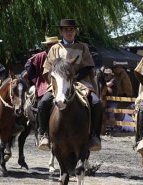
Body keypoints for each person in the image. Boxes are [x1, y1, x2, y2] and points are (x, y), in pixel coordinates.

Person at [38, 19, 102, 151]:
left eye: (71, 29)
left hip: (80, 83)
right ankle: (44, 134)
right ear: (61, 31)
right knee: (43, 103)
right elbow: (47, 70)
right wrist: (57, 81)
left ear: (75, 31)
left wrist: (74, 77)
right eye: (66, 29)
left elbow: (89, 67)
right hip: (59, 84)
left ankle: (95, 136)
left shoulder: (83, 47)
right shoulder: (55, 49)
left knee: (96, 103)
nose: (69, 32)